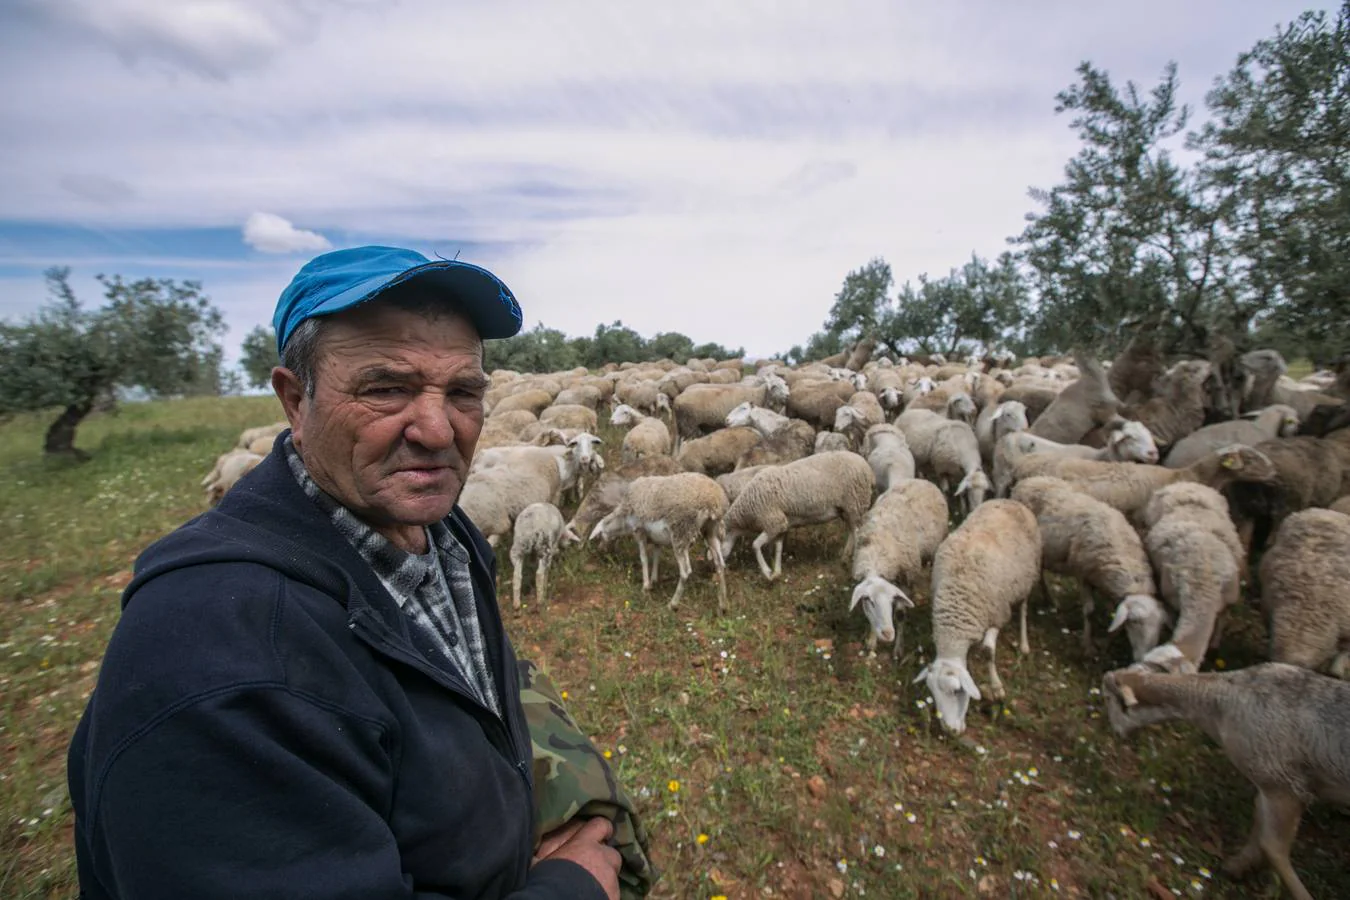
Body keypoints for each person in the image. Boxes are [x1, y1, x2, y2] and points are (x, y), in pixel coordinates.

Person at [67, 246, 623, 899]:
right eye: (387, 388)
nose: (439, 429)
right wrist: (571, 888)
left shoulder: (444, 533)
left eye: (464, 391)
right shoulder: (214, 661)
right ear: (295, 401)